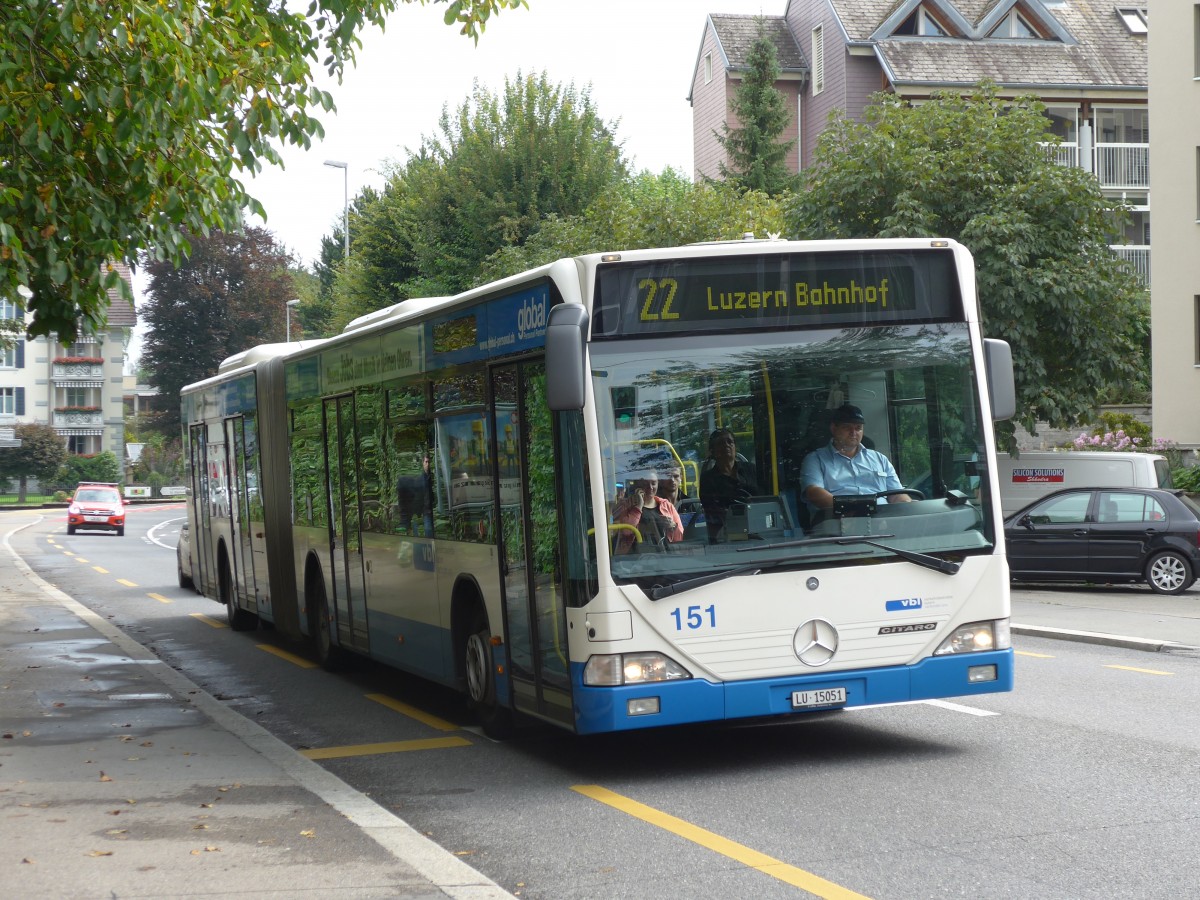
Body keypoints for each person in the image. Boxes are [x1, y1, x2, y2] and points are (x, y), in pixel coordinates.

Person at [800, 404, 911, 516]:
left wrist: (908, 505)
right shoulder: (816, 459)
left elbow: (897, 494)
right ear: (833, 428)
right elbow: (814, 493)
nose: (853, 433)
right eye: (847, 427)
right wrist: (853, 511)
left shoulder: (880, 459)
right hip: (838, 523)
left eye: (858, 428)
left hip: (883, 522)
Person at [699, 428, 760, 542]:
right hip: (726, 535)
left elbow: (764, 498)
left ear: (735, 447)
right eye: (721, 443)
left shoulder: (750, 469)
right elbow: (712, 511)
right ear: (713, 450)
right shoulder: (708, 479)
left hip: (758, 528)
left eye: (729, 442)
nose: (726, 445)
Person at [612, 472, 683, 553]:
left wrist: (673, 526)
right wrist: (638, 507)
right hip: (634, 558)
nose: (650, 487)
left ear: (658, 484)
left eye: (653, 483)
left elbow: (680, 538)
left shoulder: (667, 505)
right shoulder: (627, 505)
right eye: (646, 484)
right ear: (639, 486)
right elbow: (626, 531)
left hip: (664, 555)